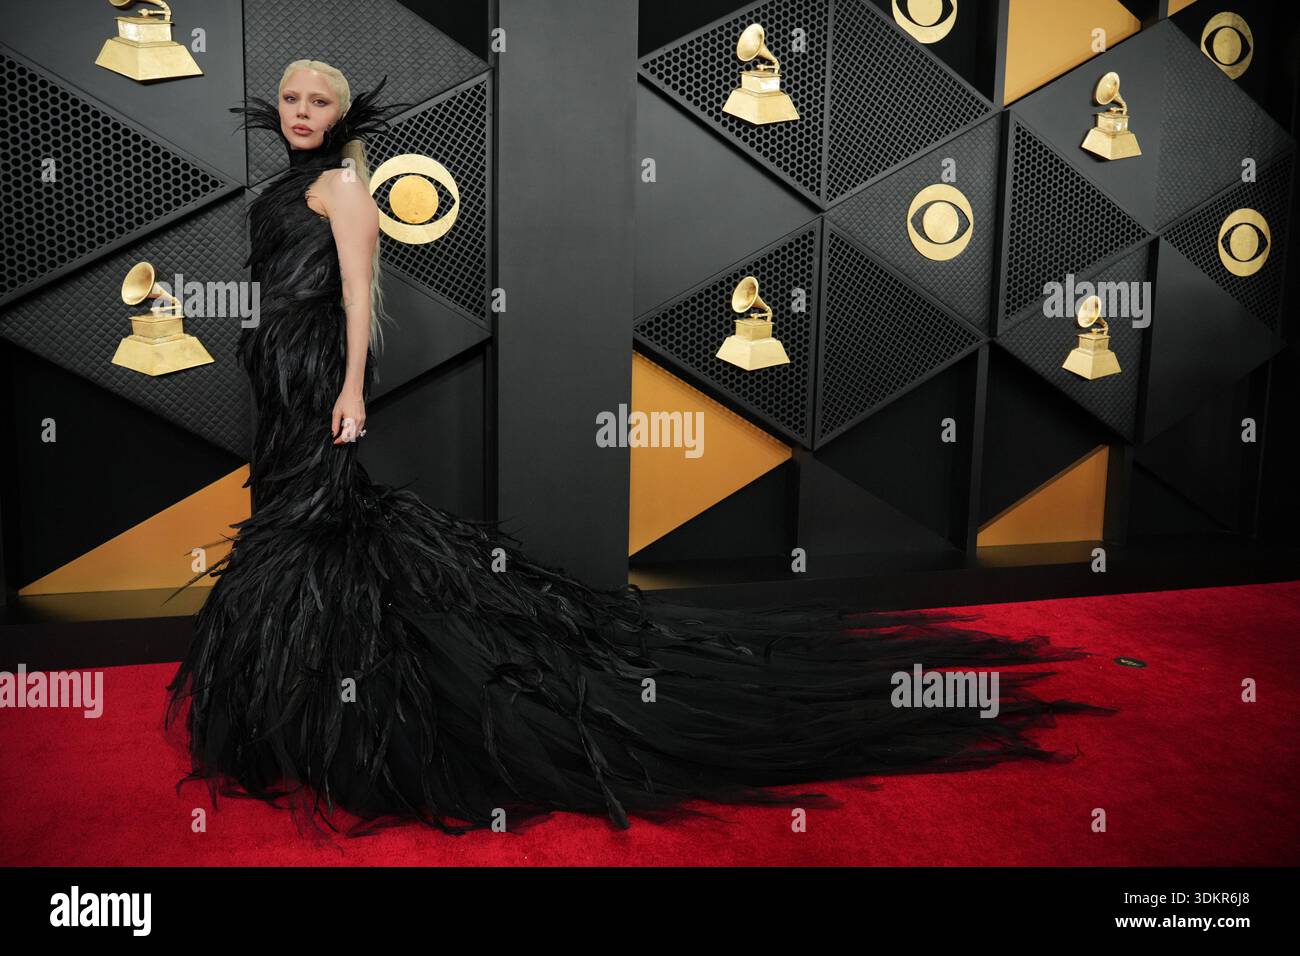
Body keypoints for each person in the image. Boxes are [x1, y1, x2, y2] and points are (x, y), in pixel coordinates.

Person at [164, 60, 1109, 839]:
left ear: (342, 114)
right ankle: (285, 708)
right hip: (272, 373)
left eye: (316, 101)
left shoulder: (344, 187)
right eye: (289, 99)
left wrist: (350, 392)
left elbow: (363, 300)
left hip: (319, 376)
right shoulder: (282, 190)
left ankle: (327, 713)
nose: (299, 112)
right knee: (283, 523)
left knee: (313, 525)